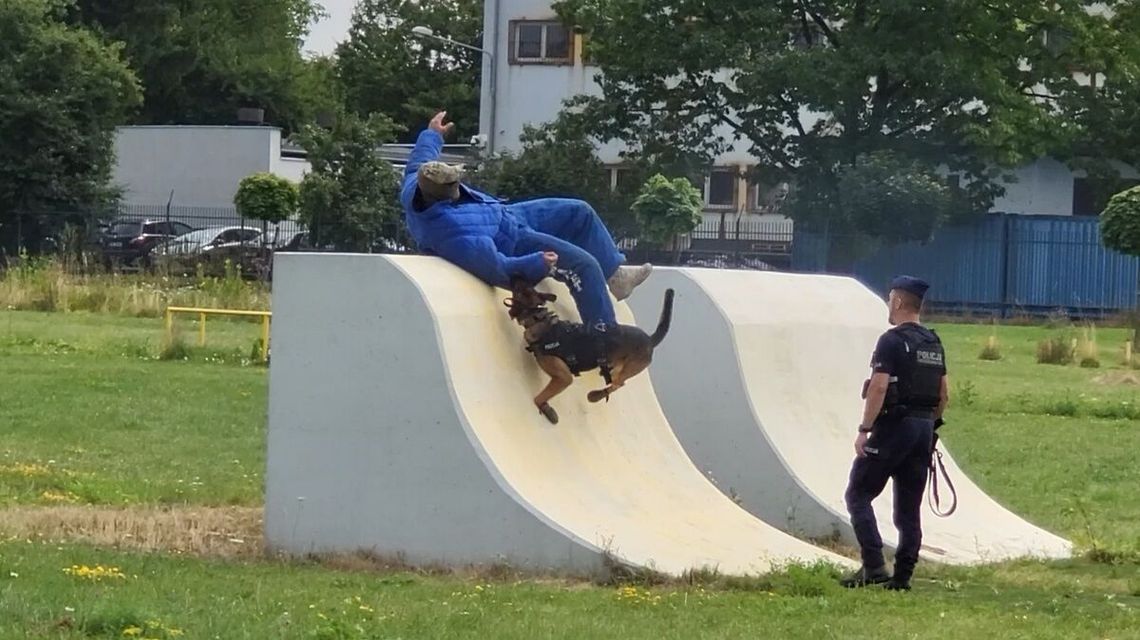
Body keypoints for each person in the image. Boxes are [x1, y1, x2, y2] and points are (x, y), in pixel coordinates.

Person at [399, 111, 652, 332]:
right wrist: (538, 262)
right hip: (515, 243)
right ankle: (604, 336)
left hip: (509, 215)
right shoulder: (455, 235)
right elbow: (497, 268)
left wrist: (433, 133)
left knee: (580, 212)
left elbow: (418, 161)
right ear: (444, 194)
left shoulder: (417, 184)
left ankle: (616, 277)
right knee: (583, 265)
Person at [840, 275, 949, 591]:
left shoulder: (891, 340)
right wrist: (929, 427)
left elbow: (878, 387)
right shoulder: (934, 343)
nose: (889, 304)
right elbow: (944, 395)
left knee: (858, 493)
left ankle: (873, 565)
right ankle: (902, 578)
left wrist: (865, 429)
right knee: (908, 508)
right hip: (923, 429)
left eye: (890, 299)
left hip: (894, 428)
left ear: (899, 302)